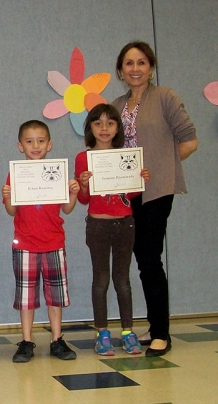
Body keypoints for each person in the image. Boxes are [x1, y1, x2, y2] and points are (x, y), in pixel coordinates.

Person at [112, 41, 198, 357]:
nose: (135, 68)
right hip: (126, 193)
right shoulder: (116, 103)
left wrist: (162, 168)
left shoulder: (165, 97)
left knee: (149, 258)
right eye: (129, 63)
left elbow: (190, 141)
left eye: (142, 62)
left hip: (156, 191)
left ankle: (161, 332)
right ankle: (154, 324)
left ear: (151, 66)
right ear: (121, 70)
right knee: (141, 259)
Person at [75, 104, 150, 356]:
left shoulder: (127, 155)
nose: (104, 128)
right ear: (90, 128)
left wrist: (140, 180)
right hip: (97, 224)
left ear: (119, 127)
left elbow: (130, 193)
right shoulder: (83, 158)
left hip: (125, 224)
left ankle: (128, 332)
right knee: (101, 280)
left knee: (122, 280)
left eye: (110, 123)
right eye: (98, 123)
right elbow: (84, 199)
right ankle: (102, 333)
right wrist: (83, 184)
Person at [1, 120, 79, 363]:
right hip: (25, 244)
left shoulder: (56, 172)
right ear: (20, 146)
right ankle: (26, 341)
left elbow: (66, 209)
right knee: (26, 297)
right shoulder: (16, 174)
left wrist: (73, 192)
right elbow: (11, 211)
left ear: (50, 144)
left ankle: (57, 339)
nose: (35, 145)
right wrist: (8, 196)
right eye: (29, 141)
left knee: (55, 296)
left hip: (54, 243)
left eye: (41, 140)